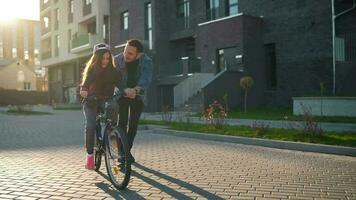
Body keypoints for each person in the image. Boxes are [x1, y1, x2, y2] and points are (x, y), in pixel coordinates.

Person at [80, 43, 121, 170]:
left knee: (113, 109)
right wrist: (84, 90)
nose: (105, 61)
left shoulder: (113, 71)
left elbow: (121, 83)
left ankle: (112, 134)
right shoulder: (92, 70)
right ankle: (90, 156)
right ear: (97, 59)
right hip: (91, 101)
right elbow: (85, 83)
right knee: (91, 126)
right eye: (102, 58)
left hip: (105, 100)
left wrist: (127, 90)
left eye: (108, 58)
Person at [114, 39, 153, 163]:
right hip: (121, 94)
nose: (126, 55)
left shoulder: (146, 61)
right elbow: (114, 78)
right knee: (122, 122)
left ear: (139, 54)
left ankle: (126, 151)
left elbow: (146, 79)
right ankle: (121, 153)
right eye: (125, 51)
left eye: (130, 54)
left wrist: (135, 90)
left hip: (137, 95)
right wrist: (125, 89)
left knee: (133, 124)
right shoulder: (116, 60)